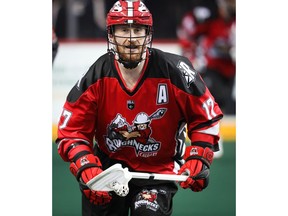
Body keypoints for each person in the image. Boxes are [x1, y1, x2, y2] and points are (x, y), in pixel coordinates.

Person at [55, 0, 223, 215]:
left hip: (157, 172)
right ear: (111, 35)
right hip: (107, 170)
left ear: (148, 34)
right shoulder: (97, 75)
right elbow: (71, 131)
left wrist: (200, 155)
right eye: (124, 29)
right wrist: (85, 166)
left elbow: (205, 118)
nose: (131, 38)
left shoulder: (175, 71)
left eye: (138, 30)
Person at [177, 0, 236, 114]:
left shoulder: (232, 24)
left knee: (227, 101)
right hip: (212, 68)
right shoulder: (212, 24)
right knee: (217, 98)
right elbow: (192, 39)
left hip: (229, 70)